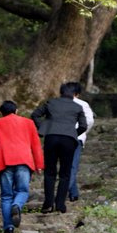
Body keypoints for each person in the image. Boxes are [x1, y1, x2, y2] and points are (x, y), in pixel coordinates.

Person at [0, 100, 44, 233]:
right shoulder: (28, 123)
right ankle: (17, 205)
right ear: (16, 110)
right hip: (24, 160)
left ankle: (8, 227)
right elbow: (35, 145)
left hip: (4, 161)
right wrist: (39, 164)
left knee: (6, 195)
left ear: (1, 113)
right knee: (22, 191)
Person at [31, 82, 87, 214]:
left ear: (61, 92)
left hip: (51, 137)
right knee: (65, 173)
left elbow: (35, 115)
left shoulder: (51, 103)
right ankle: (60, 204)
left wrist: (44, 128)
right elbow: (83, 126)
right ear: (75, 94)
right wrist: (73, 134)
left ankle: (48, 204)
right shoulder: (78, 107)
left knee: (50, 172)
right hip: (68, 140)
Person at [67, 82, 95, 202]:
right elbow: (89, 121)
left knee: (66, 165)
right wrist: (81, 133)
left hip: (60, 136)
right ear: (77, 93)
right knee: (72, 165)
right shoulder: (83, 104)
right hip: (76, 138)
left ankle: (73, 192)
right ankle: (67, 191)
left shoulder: (56, 103)